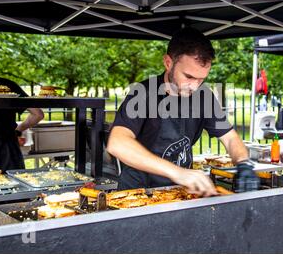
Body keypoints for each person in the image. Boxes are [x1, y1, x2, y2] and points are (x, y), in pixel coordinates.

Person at [107, 27, 259, 196]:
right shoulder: (142, 93)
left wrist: (244, 163)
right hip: (138, 194)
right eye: (188, 77)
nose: (194, 86)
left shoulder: (204, 97)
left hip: (179, 193)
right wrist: (178, 172)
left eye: (201, 79)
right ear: (168, 63)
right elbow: (117, 143)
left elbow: (230, 138)